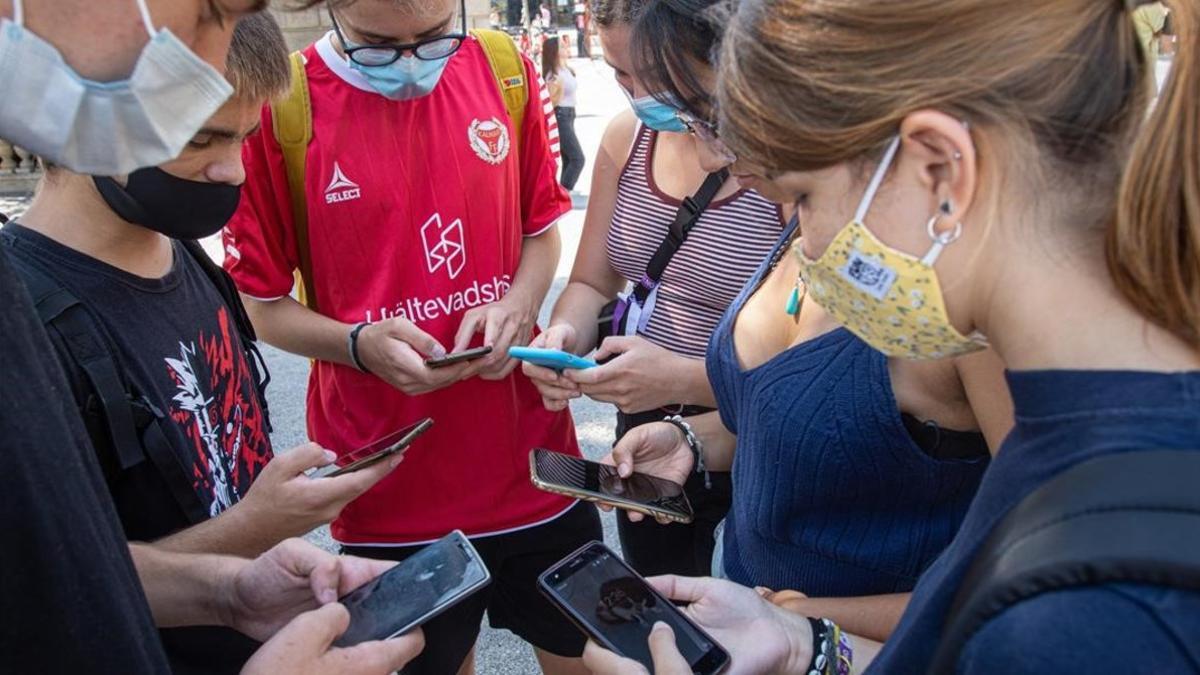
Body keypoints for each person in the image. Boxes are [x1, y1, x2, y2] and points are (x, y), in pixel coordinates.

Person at [596, 0, 1200, 670]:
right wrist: (806, 646)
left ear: (940, 170)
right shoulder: (1081, 433)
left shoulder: (1104, 604)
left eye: (803, 199)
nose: (806, 239)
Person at [0, 1, 422, 673]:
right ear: (98, 116)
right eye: (198, 139)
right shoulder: (25, 318)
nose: (234, 170)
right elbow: (50, 577)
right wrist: (256, 526)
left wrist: (237, 583)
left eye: (243, 138)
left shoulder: (186, 255)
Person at [592, 0, 1012, 643]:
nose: (708, 158)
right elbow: (820, 426)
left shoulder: (964, 294)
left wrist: (808, 628)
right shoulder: (808, 214)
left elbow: (1039, 579)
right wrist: (697, 440)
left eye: (716, 116)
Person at [221, 0, 602, 672]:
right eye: (375, 44)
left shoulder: (503, 68)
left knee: (589, 655)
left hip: (537, 470)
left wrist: (518, 302)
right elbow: (262, 304)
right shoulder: (284, 108)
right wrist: (359, 343)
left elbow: (542, 228)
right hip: (392, 492)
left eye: (431, 38)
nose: (409, 64)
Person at [524, 0, 782, 581]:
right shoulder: (626, 139)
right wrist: (565, 333)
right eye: (617, 72)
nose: (635, 91)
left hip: (751, 428)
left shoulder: (775, 163)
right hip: (640, 424)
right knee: (659, 604)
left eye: (653, 74)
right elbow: (594, 280)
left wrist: (688, 380)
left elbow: (819, 355)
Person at [542, 35, 586, 193]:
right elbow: (548, 101)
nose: (566, 47)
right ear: (554, 51)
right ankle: (563, 192)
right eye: (561, 46)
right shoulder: (552, 75)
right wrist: (554, 89)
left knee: (569, 158)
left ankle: (561, 191)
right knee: (577, 159)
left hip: (570, 115)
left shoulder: (567, 69)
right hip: (560, 115)